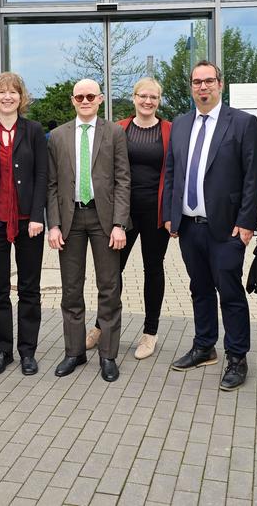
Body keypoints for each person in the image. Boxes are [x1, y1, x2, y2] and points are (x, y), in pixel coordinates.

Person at [162, 61, 257, 391]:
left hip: (228, 229)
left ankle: (237, 357)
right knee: (199, 289)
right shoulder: (180, 124)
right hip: (189, 227)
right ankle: (205, 346)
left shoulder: (242, 123)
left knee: (230, 293)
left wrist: (247, 223)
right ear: (190, 87)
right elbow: (173, 173)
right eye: (196, 82)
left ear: (220, 84)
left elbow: (252, 177)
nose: (202, 87)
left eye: (208, 81)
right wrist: (170, 214)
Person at [47, 78, 131, 382]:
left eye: (90, 96)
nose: (85, 100)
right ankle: (74, 352)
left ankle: (108, 355)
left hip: (104, 220)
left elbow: (123, 180)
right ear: (73, 100)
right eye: (79, 96)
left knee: (109, 288)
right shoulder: (57, 137)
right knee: (71, 290)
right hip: (70, 221)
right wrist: (53, 224)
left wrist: (120, 224)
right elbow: (52, 184)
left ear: (100, 99)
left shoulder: (114, 133)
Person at [86, 78, 171, 360]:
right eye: (142, 96)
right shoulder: (117, 129)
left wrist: (172, 213)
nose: (148, 102)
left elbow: (175, 175)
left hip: (155, 213)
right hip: (121, 213)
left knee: (153, 269)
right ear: (133, 98)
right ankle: (101, 327)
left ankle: (150, 333)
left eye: (153, 97)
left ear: (159, 101)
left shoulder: (169, 131)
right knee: (113, 272)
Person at [0, 72, 47, 376]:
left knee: (30, 289)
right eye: (1, 92)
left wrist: (39, 216)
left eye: (13, 92)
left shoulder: (34, 130)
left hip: (29, 222)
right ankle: (2, 351)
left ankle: (27, 351)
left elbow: (42, 175)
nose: (7, 97)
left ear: (21, 97)